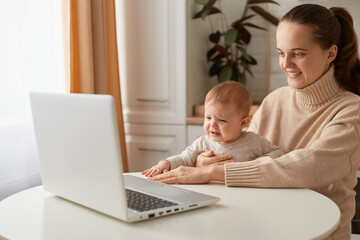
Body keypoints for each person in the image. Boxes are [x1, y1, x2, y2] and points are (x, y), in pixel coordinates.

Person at [149, 4, 360, 239]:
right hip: (265, 227)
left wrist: (214, 172)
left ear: (331, 53)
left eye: (298, 53)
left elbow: (307, 167)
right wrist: (204, 163)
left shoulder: (351, 112)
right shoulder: (274, 101)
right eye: (281, 52)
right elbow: (243, 156)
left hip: (320, 233)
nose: (286, 64)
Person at [142, 81, 284, 177]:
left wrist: (263, 160)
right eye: (208, 118)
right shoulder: (202, 143)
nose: (212, 125)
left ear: (243, 123)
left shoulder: (254, 141)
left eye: (221, 120)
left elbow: (278, 152)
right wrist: (165, 163)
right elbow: (184, 159)